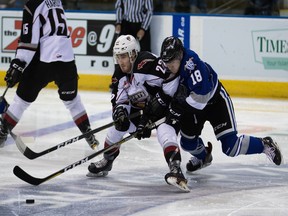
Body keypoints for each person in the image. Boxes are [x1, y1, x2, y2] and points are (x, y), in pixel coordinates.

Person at [155, 36, 282, 174]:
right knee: (187, 143)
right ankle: (204, 157)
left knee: (231, 147)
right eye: (167, 62)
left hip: (215, 102)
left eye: (172, 62)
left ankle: (264, 145)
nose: (169, 66)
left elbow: (201, 98)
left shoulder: (192, 64)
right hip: (192, 106)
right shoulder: (167, 67)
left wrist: (178, 107)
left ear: (180, 55)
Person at [86, 35, 189, 192]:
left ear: (133, 54)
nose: (120, 61)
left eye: (123, 56)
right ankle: (107, 161)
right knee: (117, 127)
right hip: (143, 113)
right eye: (118, 56)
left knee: (164, 132)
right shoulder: (119, 74)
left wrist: (155, 112)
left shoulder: (146, 64)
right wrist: (120, 113)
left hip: (165, 110)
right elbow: (119, 100)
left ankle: (175, 168)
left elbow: (173, 79)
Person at [0, 0, 99, 149]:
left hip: (45, 61)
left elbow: (29, 42)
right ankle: (89, 134)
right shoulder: (57, 1)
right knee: (72, 101)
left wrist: (18, 64)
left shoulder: (32, 5)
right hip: (67, 59)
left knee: (21, 100)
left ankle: (2, 133)